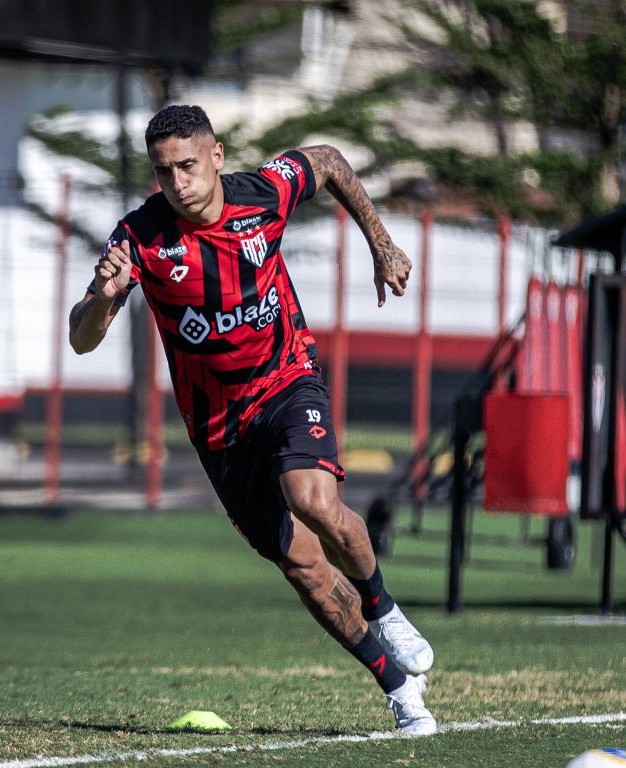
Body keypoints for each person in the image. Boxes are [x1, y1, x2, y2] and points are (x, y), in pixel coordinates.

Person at [69, 104, 436, 735]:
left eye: (187, 165)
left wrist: (382, 243)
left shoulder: (263, 193)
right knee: (303, 567)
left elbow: (329, 160)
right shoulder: (138, 239)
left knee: (313, 498)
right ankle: (399, 689)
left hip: (289, 379)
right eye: (163, 172)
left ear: (215, 156)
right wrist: (102, 299)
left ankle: (385, 607)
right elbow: (81, 339)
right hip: (219, 428)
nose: (177, 183)